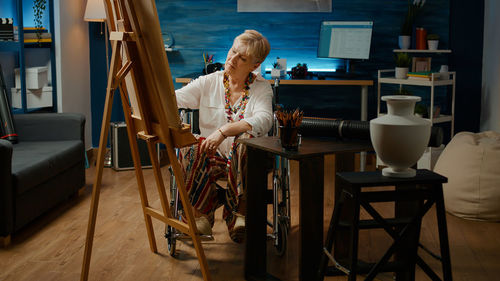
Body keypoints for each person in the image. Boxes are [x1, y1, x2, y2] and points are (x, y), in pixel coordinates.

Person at [175, 30, 272, 243]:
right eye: (233, 51)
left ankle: (241, 215)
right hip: (214, 158)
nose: (232, 59)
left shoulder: (261, 88)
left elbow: (265, 119)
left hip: (249, 160)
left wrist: (224, 130)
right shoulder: (209, 81)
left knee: (245, 143)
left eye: (242, 58)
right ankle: (200, 216)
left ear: (255, 65)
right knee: (190, 146)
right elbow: (174, 99)